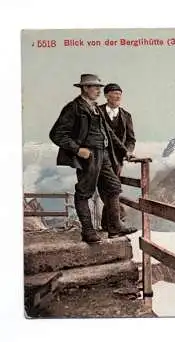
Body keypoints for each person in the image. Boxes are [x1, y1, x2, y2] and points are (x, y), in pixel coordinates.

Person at [49, 74, 137, 243]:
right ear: (84, 88)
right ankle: (88, 231)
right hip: (88, 156)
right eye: (95, 87)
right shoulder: (74, 107)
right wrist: (77, 149)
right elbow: (56, 134)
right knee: (84, 193)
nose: (98, 91)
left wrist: (125, 151)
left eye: (99, 88)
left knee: (113, 187)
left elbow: (109, 134)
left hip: (104, 155)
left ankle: (114, 227)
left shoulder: (96, 107)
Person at [98, 83, 136, 231]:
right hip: (100, 157)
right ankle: (119, 217)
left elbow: (131, 139)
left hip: (118, 159)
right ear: (107, 95)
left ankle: (107, 225)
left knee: (110, 190)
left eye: (120, 93)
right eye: (114, 93)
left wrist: (129, 151)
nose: (118, 96)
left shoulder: (126, 115)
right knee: (106, 189)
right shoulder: (98, 112)